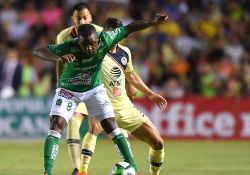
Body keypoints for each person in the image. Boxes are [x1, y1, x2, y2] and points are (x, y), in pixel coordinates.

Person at [33, 13, 168, 175]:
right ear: (78, 42)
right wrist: (58, 57)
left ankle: (133, 169)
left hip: (93, 90)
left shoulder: (107, 39)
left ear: (98, 39)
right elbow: (38, 51)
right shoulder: (70, 45)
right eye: (85, 45)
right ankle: (48, 171)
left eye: (92, 44)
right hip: (69, 90)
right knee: (56, 126)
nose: (89, 48)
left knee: (111, 126)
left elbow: (131, 27)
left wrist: (153, 22)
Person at [77, 17, 167, 175]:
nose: (114, 37)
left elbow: (130, 75)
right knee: (93, 127)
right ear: (104, 33)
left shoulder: (125, 52)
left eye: (118, 34)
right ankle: (82, 171)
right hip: (104, 106)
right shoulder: (95, 51)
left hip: (124, 107)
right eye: (111, 34)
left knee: (158, 143)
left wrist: (150, 94)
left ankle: (154, 173)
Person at [55, 3, 104, 175]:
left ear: (90, 17)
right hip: (75, 85)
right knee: (73, 122)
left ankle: (128, 163)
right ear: (72, 19)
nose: (82, 21)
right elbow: (60, 62)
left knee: (101, 126)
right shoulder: (63, 36)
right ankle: (77, 169)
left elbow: (108, 63)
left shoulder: (101, 33)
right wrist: (59, 87)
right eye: (79, 18)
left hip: (96, 85)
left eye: (85, 17)